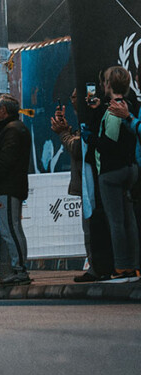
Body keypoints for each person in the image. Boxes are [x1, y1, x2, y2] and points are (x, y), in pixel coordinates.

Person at [52, 91, 114, 282]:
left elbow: (79, 147)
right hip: (90, 180)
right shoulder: (85, 119)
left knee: (91, 226)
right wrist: (67, 129)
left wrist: (63, 133)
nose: (72, 101)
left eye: (75, 96)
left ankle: (98, 267)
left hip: (93, 181)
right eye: (71, 97)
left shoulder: (95, 117)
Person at [85, 67, 140, 282]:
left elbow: (109, 143)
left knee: (116, 221)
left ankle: (121, 265)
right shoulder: (131, 106)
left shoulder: (113, 110)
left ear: (108, 84)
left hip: (111, 171)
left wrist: (90, 138)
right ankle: (134, 264)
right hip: (130, 168)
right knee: (130, 220)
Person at [0, 93, 32, 286]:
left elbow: (6, 160)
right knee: (11, 228)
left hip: (8, 187)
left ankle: (20, 269)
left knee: (10, 229)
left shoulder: (12, 131)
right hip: (9, 186)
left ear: (4, 111)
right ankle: (18, 268)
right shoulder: (13, 129)